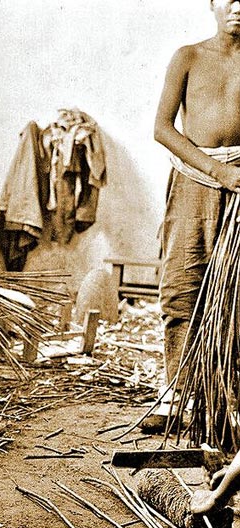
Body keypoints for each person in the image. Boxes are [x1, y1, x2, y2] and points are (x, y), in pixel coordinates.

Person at [144, 0, 240, 431]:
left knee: (235, 293)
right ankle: (176, 394)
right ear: (213, 5)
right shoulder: (189, 57)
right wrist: (215, 168)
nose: (237, 7)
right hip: (193, 184)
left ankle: (228, 398)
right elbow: (162, 128)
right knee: (182, 288)